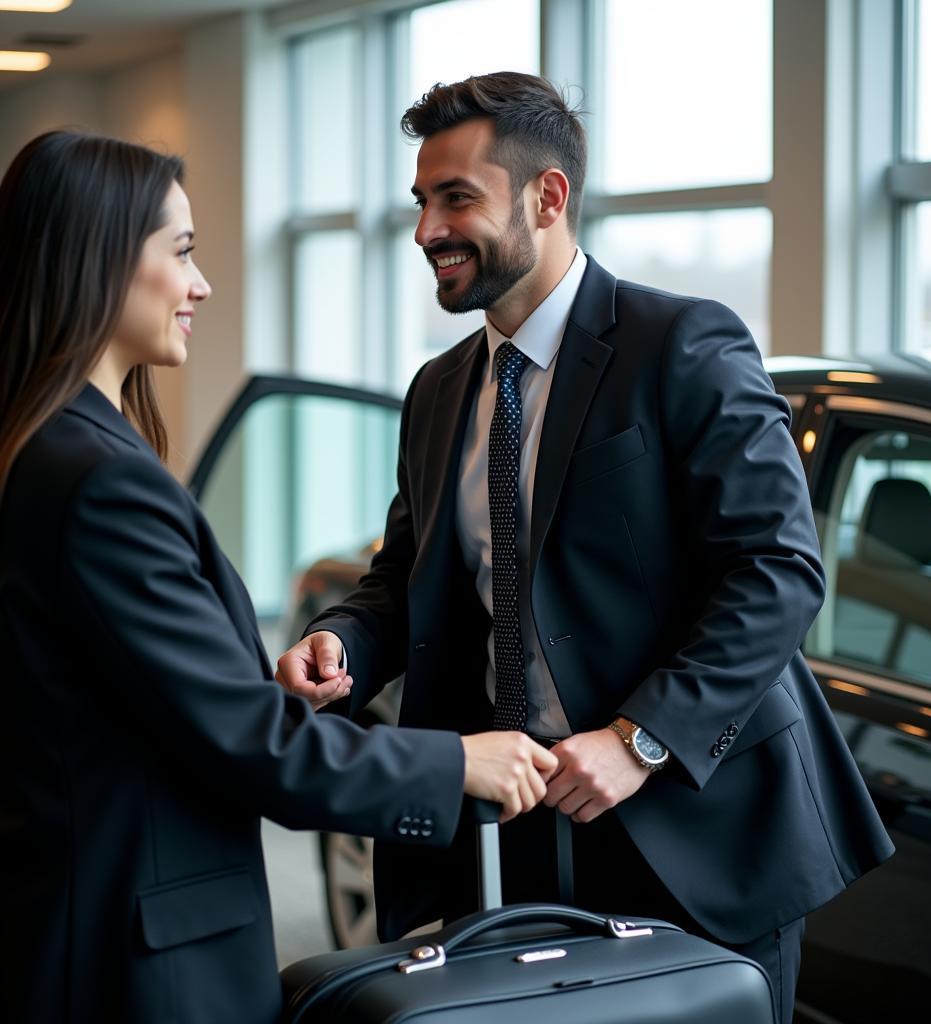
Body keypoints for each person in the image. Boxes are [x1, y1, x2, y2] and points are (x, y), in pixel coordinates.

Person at [276, 72, 895, 1023]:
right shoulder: (440, 391)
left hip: (685, 817)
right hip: (505, 827)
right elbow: (405, 581)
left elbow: (778, 573)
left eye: (456, 199)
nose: (426, 231)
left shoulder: (683, 344)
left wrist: (638, 741)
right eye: (421, 202)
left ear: (547, 196)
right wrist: (344, 646)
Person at [0, 130, 557, 1024]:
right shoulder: (94, 478)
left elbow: (129, 702)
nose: (201, 284)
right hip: (129, 958)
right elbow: (251, 749)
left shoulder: (50, 448)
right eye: (180, 253)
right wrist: (457, 761)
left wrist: (254, 685)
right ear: (98, 262)